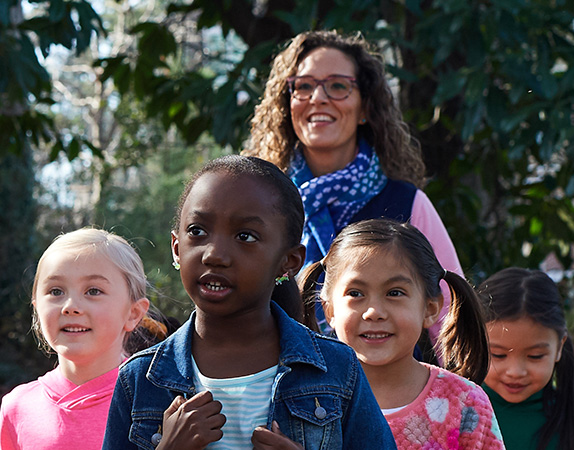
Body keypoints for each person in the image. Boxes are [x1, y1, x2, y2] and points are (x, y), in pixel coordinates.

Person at [102, 155, 395, 450]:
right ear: (177, 248)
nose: (214, 254)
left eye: (245, 236)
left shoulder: (337, 369)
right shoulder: (139, 380)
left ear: (289, 262)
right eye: (197, 231)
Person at [244, 30, 464, 335]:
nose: (318, 98)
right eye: (304, 86)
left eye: (337, 86)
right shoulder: (260, 202)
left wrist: (454, 384)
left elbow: (451, 320)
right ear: (287, 104)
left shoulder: (406, 204)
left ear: (365, 107)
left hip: (388, 382)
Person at [304, 219, 501, 449]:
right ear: (329, 310)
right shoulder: (304, 397)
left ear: (430, 308)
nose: (374, 312)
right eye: (355, 293)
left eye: (394, 292)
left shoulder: (465, 403)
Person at [0, 228, 170, 450]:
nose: (71, 307)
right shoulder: (17, 407)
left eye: (93, 291)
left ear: (133, 313)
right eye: (56, 291)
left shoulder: (159, 403)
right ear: (37, 308)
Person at [477, 269, 574, 450]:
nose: (515, 371)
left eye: (535, 356)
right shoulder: (448, 416)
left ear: (559, 347)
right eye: (498, 355)